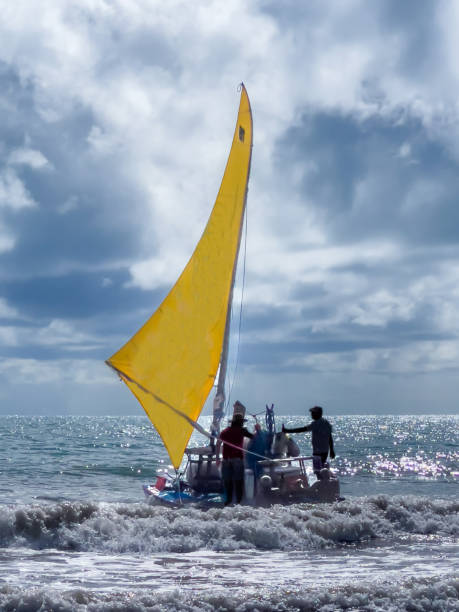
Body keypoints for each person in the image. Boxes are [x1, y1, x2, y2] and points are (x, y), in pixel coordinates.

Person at [216, 403, 253, 505]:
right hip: (237, 460)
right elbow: (253, 437)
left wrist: (217, 459)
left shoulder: (225, 431)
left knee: (227, 481)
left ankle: (228, 500)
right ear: (240, 422)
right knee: (238, 481)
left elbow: (218, 444)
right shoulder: (242, 430)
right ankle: (239, 501)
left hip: (226, 460)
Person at [282, 406, 335, 473]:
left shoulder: (316, 424)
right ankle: (323, 480)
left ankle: (320, 479)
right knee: (322, 469)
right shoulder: (326, 423)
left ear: (317, 414)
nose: (311, 415)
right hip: (325, 451)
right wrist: (332, 450)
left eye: (313, 413)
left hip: (317, 452)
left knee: (317, 471)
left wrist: (287, 431)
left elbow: (302, 429)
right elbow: (330, 437)